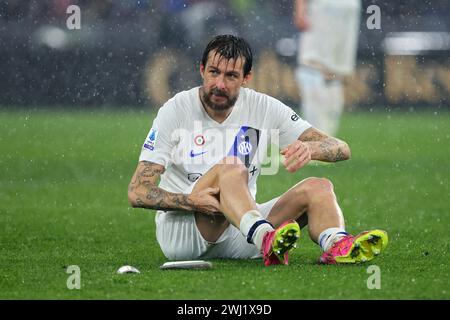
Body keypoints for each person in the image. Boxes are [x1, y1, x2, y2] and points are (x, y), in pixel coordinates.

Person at [128, 35, 387, 266]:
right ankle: (266, 238)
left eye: (231, 76)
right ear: (201, 70)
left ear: (247, 78)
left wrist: (311, 148)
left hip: (242, 229)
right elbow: (137, 191)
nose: (219, 84)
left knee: (319, 187)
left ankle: (336, 245)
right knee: (231, 167)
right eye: (213, 72)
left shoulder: (264, 107)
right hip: (185, 233)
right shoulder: (176, 109)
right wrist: (191, 201)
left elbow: (341, 148)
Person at [294, 0, 361, 137]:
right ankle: (328, 138)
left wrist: (300, 10)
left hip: (326, 8)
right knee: (333, 73)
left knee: (312, 65)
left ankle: (316, 141)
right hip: (349, 7)